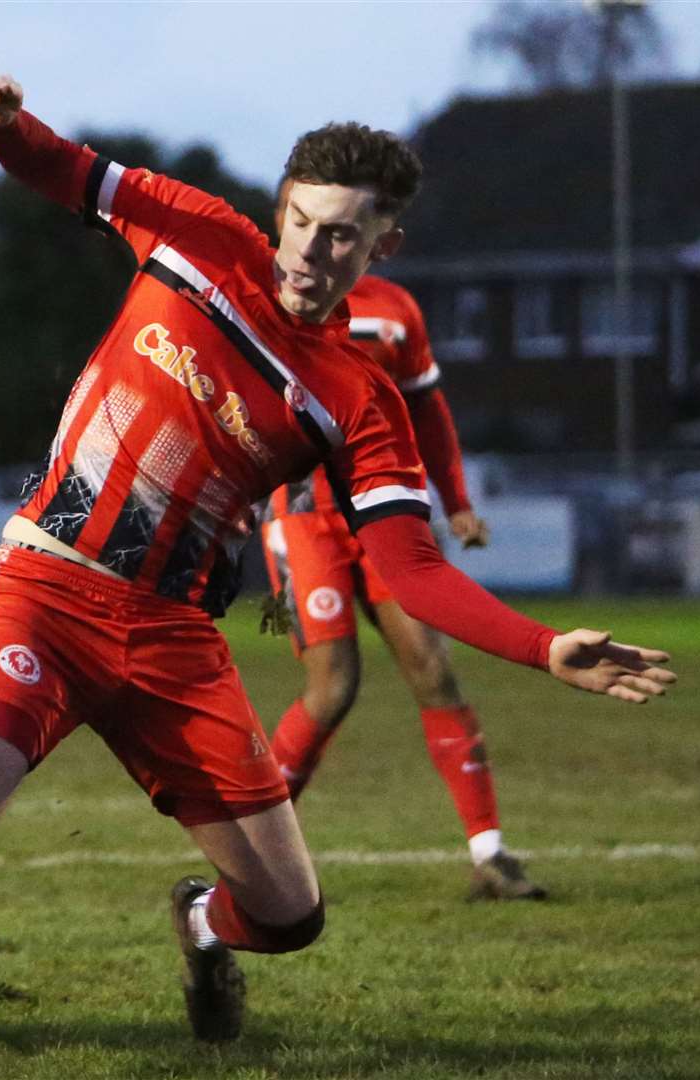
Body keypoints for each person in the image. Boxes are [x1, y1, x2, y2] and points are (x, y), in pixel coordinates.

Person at [0, 72, 677, 1079]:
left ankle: (203, 924)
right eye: (306, 223)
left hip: (176, 646)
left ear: (382, 248)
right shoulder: (197, 235)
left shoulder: (357, 399)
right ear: (280, 210)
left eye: (346, 235)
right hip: (47, 595)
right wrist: (4, 127)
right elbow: (62, 172)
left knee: (290, 914)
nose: (317, 251)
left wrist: (545, 647)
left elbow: (409, 569)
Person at [261, 257, 544, 899]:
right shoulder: (266, 297)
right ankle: (257, 851)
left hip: (387, 506)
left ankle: (490, 854)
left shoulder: (395, 309)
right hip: (305, 516)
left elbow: (428, 408)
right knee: (333, 688)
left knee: (433, 668)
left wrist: (456, 500)